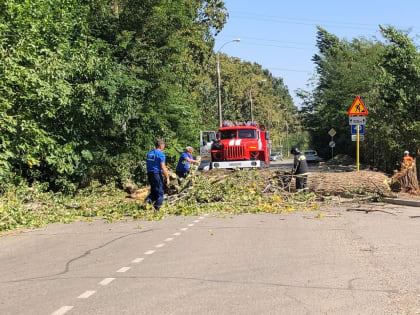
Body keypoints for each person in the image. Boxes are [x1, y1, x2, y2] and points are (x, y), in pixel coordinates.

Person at [144, 140, 170, 211]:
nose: (164, 147)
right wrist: (167, 177)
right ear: (161, 146)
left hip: (150, 173)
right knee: (160, 192)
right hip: (156, 174)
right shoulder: (160, 154)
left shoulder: (149, 153)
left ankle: (146, 204)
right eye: (164, 146)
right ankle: (157, 208)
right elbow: (163, 167)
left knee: (153, 191)